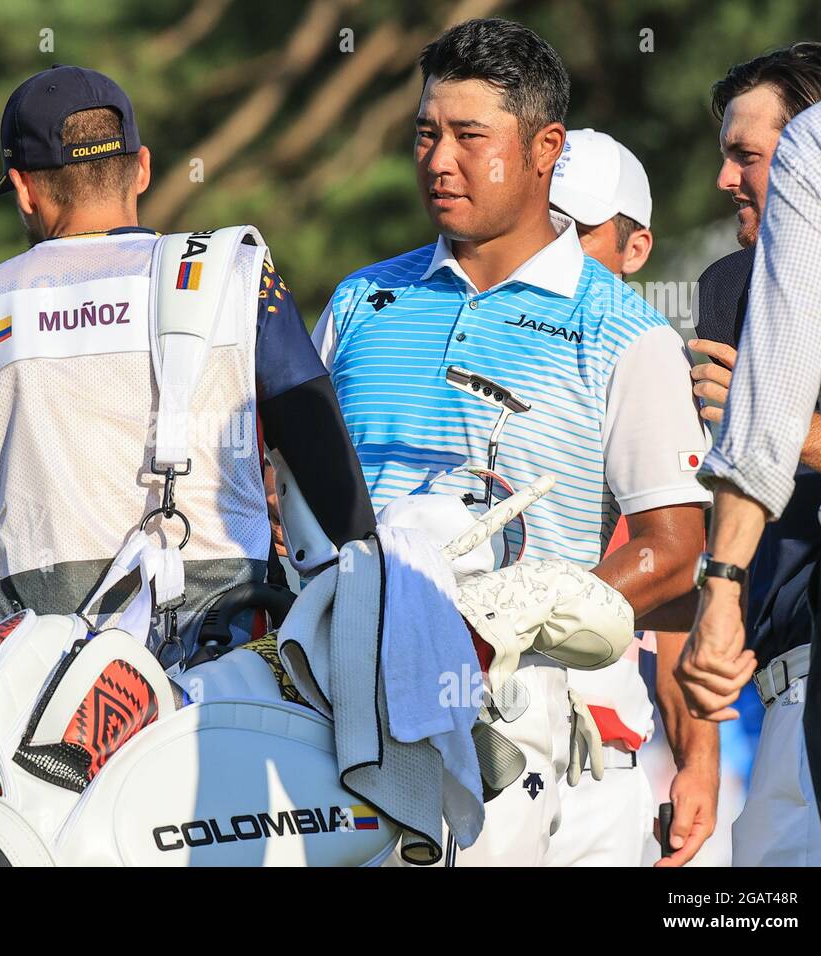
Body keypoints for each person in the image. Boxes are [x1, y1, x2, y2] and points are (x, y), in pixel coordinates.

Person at [313, 18, 711, 865]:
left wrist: (518, 622)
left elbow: (674, 553)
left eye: (468, 136)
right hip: (342, 722)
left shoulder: (626, 332)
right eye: (425, 133)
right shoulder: (357, 302)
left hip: (532, 743)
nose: (438, 160)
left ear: (544, 149)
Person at [0, 65, 373, 688]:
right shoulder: (235, 276)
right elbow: (335, 484)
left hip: (30, 698)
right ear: (143, 168)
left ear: (22, 188)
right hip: (220, 686)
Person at [543, 128, 719, 867]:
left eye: (576, 232)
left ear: (636, 249)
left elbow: (675, 597)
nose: (549, 247)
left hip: (590, 774)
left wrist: (699, 753)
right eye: (540, 223)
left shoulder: (649, 370)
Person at [686, 82, 821, 870]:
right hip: (782, 697)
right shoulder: (728, 285)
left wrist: (790, 432)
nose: (726, 179)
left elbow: (776, 434)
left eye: (747, 156)